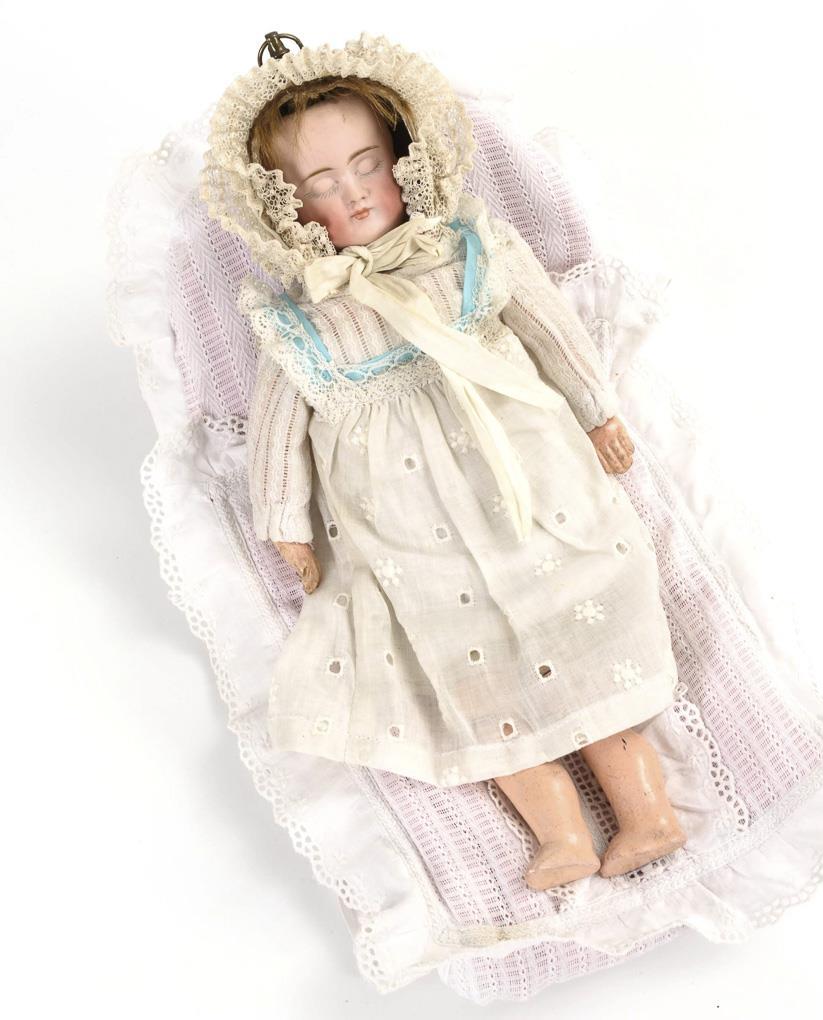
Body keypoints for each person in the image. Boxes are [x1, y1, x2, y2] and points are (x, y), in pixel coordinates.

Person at [201, 31, 688, 891]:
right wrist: (285, 523)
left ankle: (649, 812)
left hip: (528, 484)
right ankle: (561, 834)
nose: (353, 191)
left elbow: (549, 330)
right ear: (286, 209)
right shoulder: (306, 321)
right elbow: (277, 429)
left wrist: (596, 410)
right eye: (321, 183)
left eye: (366, 165)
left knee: (578, 629)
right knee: (471, 670)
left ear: (405, 160)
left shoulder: (470, 252)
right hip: (409, 527)